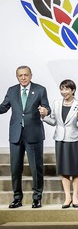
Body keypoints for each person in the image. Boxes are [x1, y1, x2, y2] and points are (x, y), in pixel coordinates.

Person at [0, 66, 50, 209]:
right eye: (20, 75)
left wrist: (45, 111)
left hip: (34, 134)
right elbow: (4, 107)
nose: (23, 78)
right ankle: (17, 198)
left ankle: (37, 198)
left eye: (26, 75)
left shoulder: (40, 89)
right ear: (17, 77)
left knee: (36, 168)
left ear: (30, 76)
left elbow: (46, 107)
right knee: (15, 168)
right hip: (16, 135)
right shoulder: (12, 90)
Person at [43, 79, 78, 208]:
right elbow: (54, 121)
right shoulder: (56, 103)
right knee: (64, 170)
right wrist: (44, 116)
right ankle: (67, 197)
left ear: (73, 90)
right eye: (62, 89)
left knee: (75, 170)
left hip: (74, 139)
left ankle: (75, 197)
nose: (64, 91)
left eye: (67, 89)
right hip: (60, 139)